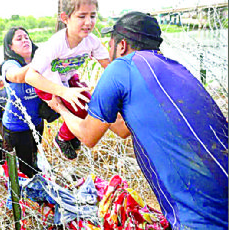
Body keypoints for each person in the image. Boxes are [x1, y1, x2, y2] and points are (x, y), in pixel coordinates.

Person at [47, 11, 228, 229]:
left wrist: (60, 107)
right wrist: (91, 98)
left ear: (121, 45)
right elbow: (123, 130)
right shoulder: (176, 67)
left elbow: (88, 135)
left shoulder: (120, 67)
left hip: (198, 216)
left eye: (110, 42)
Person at [26, 0, 111, 160]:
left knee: (90, 104)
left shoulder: (92, 41)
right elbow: (30, 76)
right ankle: (62, 138)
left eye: (92, 16)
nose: (88, 22)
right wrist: (62, 92)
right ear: (65, 18)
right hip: (47, 84)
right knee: (79, 107)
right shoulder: (55, 44)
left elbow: (109, 67)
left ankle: (72, 134)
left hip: (68, 78)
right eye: (81, 16)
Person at [1, 27, 44, 178]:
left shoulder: (40, 62)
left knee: (34, 161)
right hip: (16, 128)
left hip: (37, 122)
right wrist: (44, 60)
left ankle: (38, 195)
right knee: (22, 171)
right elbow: (16, 76)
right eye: (19, 39)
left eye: (26, 37)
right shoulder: (10, 65)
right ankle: (24, 199)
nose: (25, 40)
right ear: (10, 47)